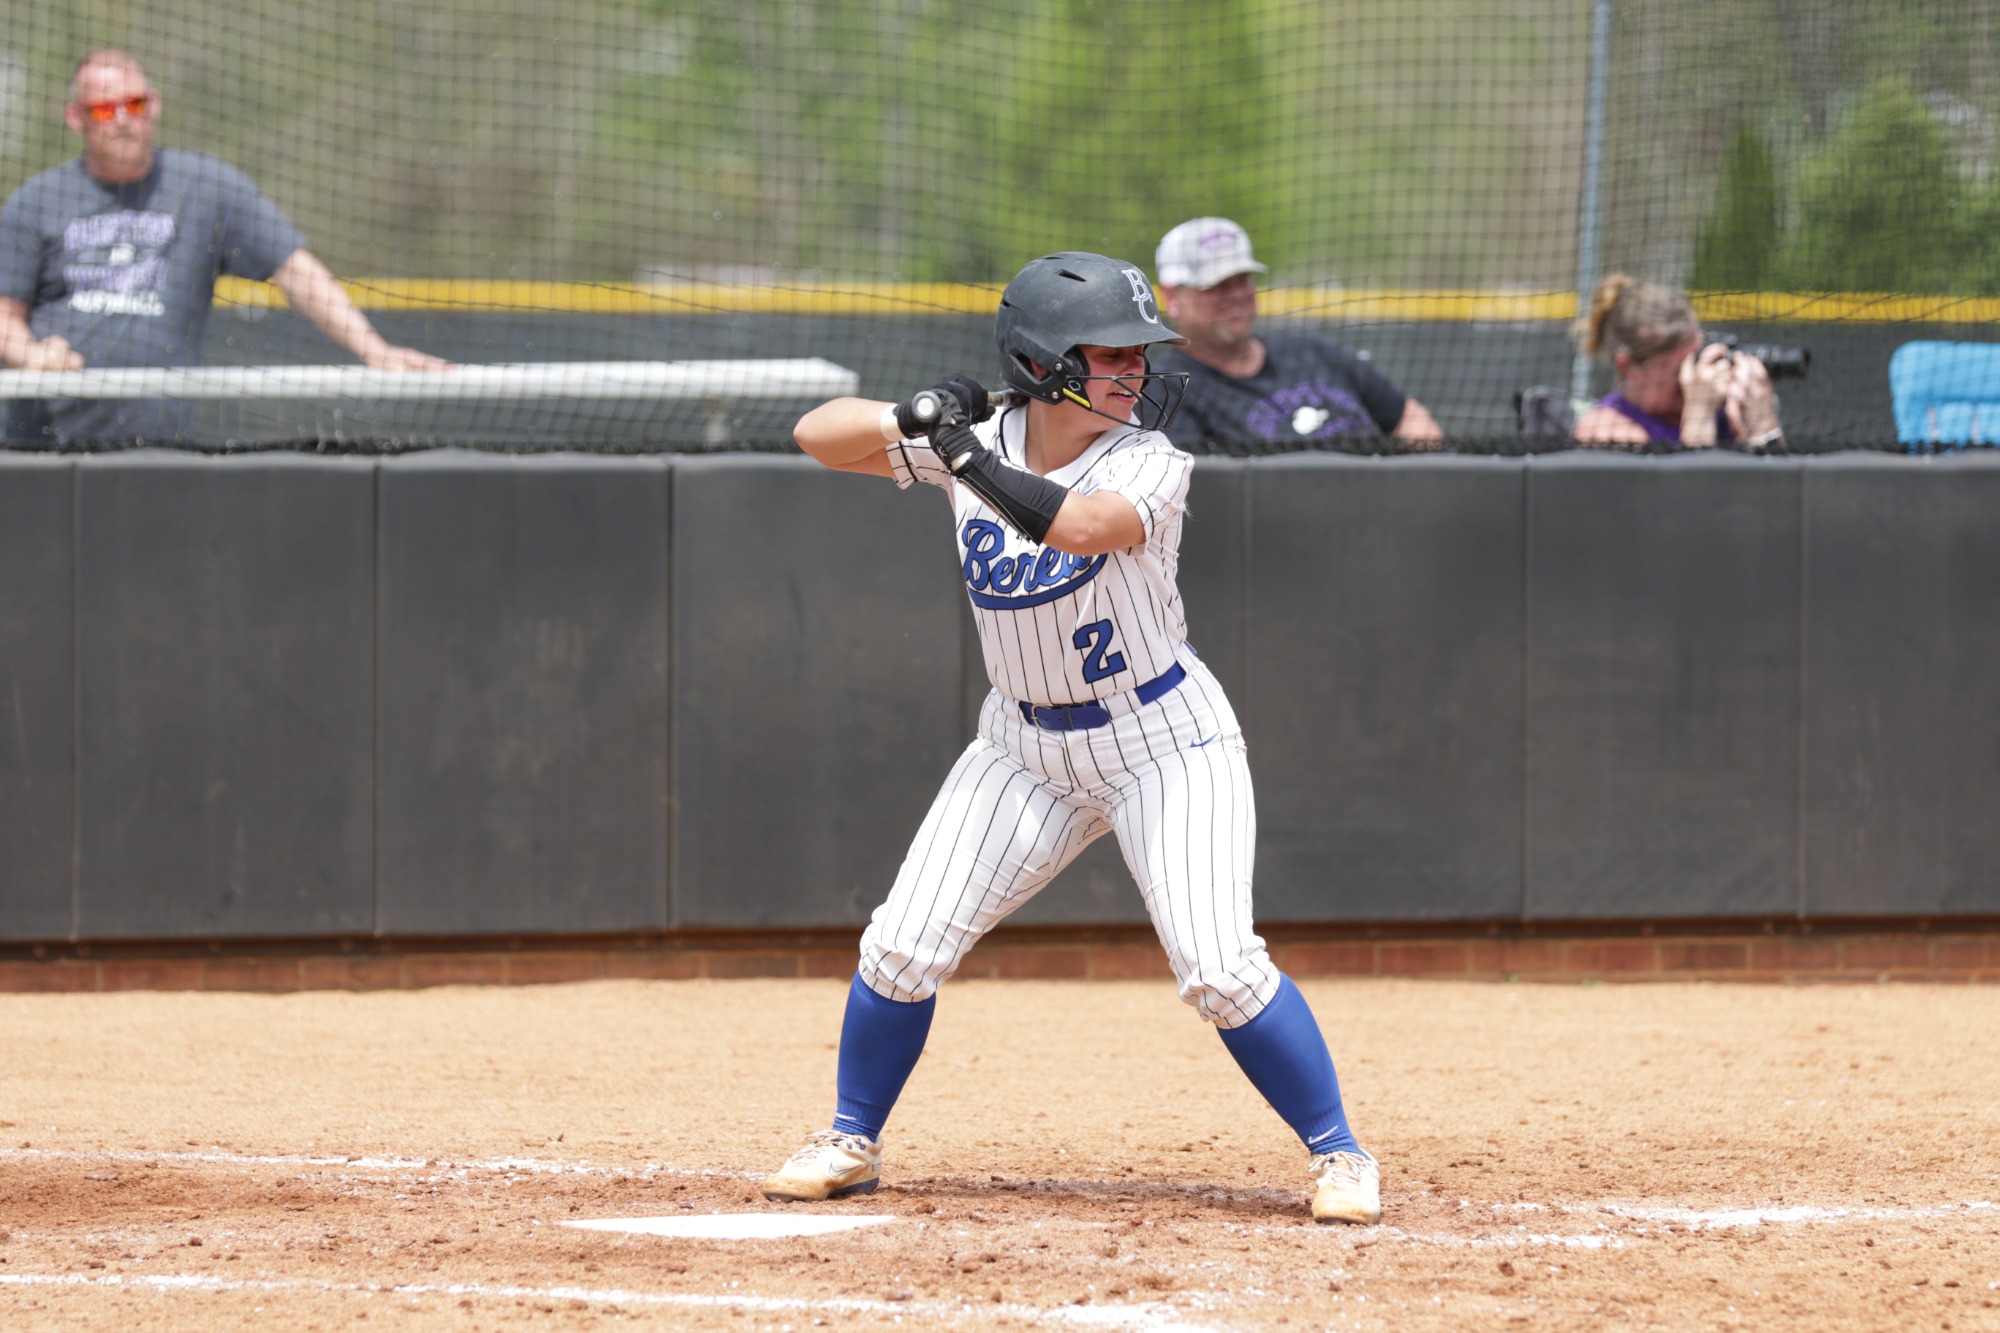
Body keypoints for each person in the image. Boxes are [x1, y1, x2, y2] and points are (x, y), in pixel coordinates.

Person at [762, 250, 1382, 1226]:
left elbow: (1085, 528)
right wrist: (909, 418)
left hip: (1161, 739)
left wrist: (965, 457)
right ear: (1043, 359)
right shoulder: (987, 433)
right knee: (899, 944)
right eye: (1111, 352)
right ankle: (849, 1134)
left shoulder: (1147, 460)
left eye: (1140, 352)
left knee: (1219, 967)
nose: (1135, 370)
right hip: (1022, 749)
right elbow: (814, 434)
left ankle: (1338, 1152)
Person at [0, 49, 447, 447]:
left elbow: (294, 267)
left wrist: (374, 349)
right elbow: (4, 314)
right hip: (40, 445)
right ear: (76, 117)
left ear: (154, 104)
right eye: (103, 109)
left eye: (134, 104)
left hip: (158, 449)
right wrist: (32, 357)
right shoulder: (37, 199)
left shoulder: (207, 187)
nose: (121, 120)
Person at [1148, 216, 1442, 452]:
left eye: (1242, 279)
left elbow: (1410, 420)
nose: (1236, 294)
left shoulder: (1310, 351)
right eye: (1216, 284)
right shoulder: (1167, 390)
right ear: (1173, 296)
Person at [1571, 274, 1783, 450]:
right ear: (1628, 368)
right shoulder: (1604, 430)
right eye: (1681, 369)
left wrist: (1763, 426)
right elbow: (1686, 497)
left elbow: (1776, 492)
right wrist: (1699, 414)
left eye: (1697, 360)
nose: (1694, 377)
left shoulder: (1727, 416)